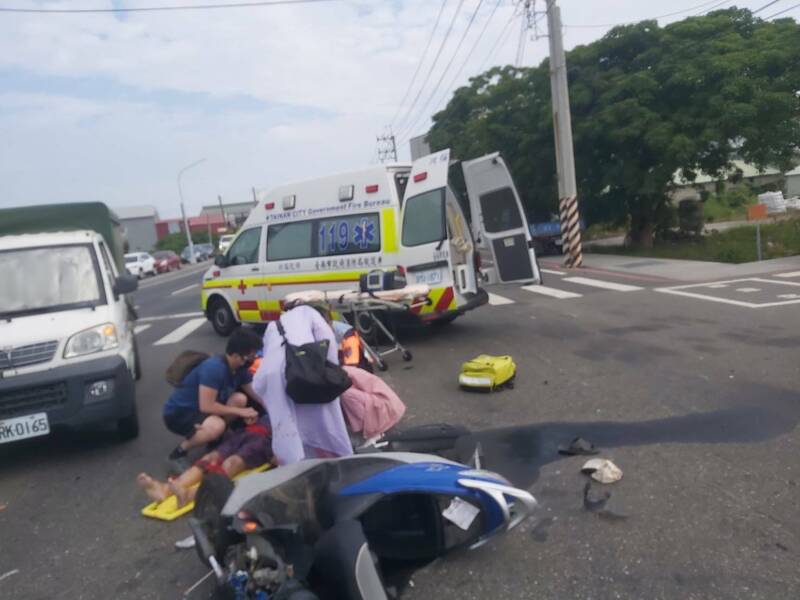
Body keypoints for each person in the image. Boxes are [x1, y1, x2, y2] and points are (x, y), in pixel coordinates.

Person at [253, 304, 353, 465]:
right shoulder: (311, 313)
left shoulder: (274, 324)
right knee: (325, 422)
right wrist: (332, 375)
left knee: (289, 424)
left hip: (272, 377)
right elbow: (327, 343)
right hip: (299, 371)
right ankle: (336, 461)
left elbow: (268, 353)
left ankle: (298, 466)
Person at [164, 328, 264, 463]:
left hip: (202, 408)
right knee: (217, 425)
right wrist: (241, 412)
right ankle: (179, 452)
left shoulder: (240, 369)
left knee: (240, 399)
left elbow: (255, 392)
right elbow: (206, 406)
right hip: (181, 413)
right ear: (236, 356)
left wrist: (272, 409)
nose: (252, 360)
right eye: (250, 356)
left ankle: (215, 437)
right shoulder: (214, 368)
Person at [138, 414, 273, 507]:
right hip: (248, 431)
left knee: (231, 463)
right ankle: (166, 489)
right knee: (210, 458)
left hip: (266, 439)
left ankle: (190, 495)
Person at [340, 365, 406, 440]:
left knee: (346, 395)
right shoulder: (346, 371)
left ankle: (370, 430)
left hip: (382, 413)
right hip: (391, 406)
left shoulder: (344, 379)